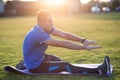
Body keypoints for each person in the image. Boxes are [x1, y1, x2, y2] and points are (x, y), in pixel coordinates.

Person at [21, 10, 110, 75]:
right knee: (65, 66)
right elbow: (62, 44)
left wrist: (83, 40)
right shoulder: (37, 33)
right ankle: (99, 70)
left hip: (40, 58)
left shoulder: (46, 28)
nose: (52, 24)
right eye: (50, 21)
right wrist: (84, 47)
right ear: (41, 22)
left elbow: (65, 35)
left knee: (57, 60)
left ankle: (25, 64)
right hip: (35, 67)